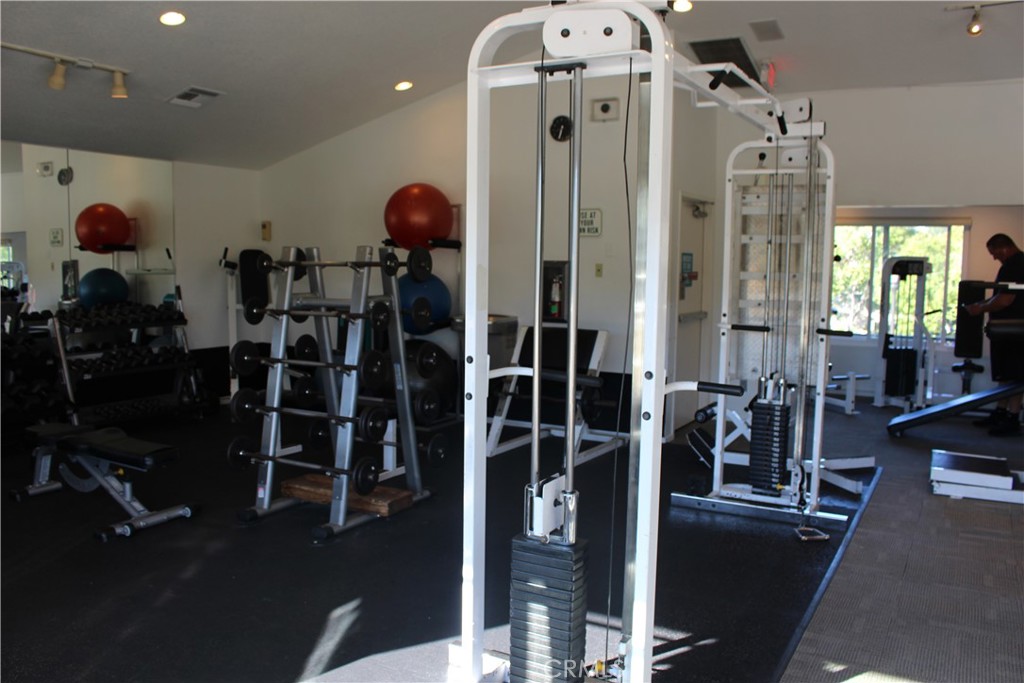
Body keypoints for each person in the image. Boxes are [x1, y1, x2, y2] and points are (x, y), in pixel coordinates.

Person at [965, 233, 1024, 436]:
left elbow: (1005, 300)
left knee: (1016, 376)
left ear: (1004, 249)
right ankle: (1001, 412)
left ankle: (1012, 418)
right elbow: (1000, 296)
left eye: (994, 253)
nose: (993, 258)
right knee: (1005, 374)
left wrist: (979, 309)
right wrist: (981, 305)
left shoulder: (1015, 266)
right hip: (1007, 329)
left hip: (1014, 330)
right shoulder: (1014, 264)